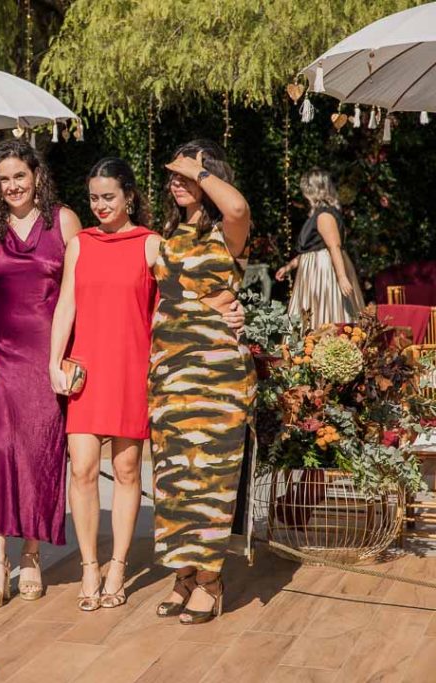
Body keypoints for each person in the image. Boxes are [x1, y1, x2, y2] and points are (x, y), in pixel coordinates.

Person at [48, 158, 246, 612]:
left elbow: (186, 293)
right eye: (94, 197)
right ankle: (89, 566)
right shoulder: (79, 244)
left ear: (129, 196)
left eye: (109, 197)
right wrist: (53, 361)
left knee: (128, 471)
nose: (100, 205)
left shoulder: (153, 244)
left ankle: (118, 566)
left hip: (136, 367)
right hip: (86, 368)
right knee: (80, 469)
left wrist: (230, 308)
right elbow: (66, 305)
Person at [146, 139, 256, 625]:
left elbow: (237, 205)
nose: (177, 180)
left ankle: (210, 580)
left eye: (188, 174)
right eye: (173, 174)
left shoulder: (227, 232)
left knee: (208, 478)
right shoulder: (166, 235)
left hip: (217, 377)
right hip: (169, 371)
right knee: (172, 481)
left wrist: (199, 170)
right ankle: (182, 574)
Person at [0, 139, 82, 608]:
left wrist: (71, 357)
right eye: (3, 179)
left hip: (48, 355)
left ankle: (32, 554)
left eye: (19, 175)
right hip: (1, 354)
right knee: (0, 449)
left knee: (41, 450)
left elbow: (81, 294)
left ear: (36, 174)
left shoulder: (64, 221)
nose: (12, 185)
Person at [276, 168, 365, 326]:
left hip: (324, 268)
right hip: (314, 266)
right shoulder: (318, 214)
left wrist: (341, 277)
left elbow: (334, 247)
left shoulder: (324, 215)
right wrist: (289, 267)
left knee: (325, 310)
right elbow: (310, 250)